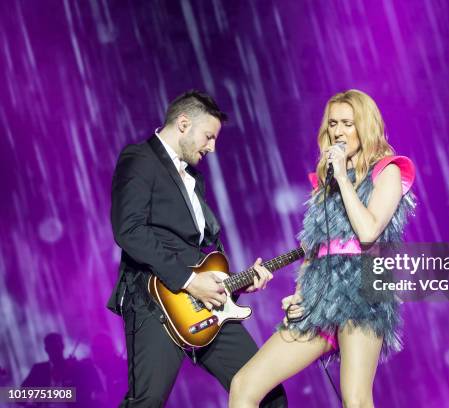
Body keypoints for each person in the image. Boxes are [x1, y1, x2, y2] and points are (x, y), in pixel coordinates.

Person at [229, 89, 416, 408]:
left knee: (355, 399)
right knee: (244, 384)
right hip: (319, 295)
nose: (338, 131)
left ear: (365, 126)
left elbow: (369, 232)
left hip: (363, 290)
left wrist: (343, 178)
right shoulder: (325, 184)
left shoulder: (388, 171)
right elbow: (315, 245)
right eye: (333, 124)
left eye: (347, 123)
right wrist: (300, 293)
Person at [107, 90, 287, 407]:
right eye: (208, 137)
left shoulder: (194, 178)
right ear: (184, 123)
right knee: (146, 402)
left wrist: (236, 283)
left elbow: (201, 258)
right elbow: (129, 230)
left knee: (267, 393)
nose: (212, 147)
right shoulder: (139, 158)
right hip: (154, 302)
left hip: (206, 309)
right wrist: (191, 282)